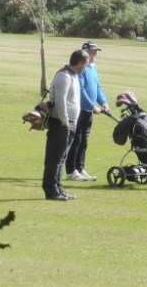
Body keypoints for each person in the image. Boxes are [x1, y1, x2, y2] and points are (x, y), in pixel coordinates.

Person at [42, 50, 89, 201]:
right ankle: (51, 190)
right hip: (61, 123)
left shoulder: (73, 75)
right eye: (85, 64)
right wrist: (64, 121)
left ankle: (58, 188)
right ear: (80, 63)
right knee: (55, 158)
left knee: (62, 158)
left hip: (70, 123)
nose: (86, 67)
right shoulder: (63, 76)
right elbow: (60, 101)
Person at [65, 41, 110, 182]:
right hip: (79, 110)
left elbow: (97, 86)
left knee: (84, 141)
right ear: (85, 52)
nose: (95, 54)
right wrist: (93, 106)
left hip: (88, 112)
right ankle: (71, 171)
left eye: (96, 52)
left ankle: (80, 168)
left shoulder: (93, 67)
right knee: (76, 140)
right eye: (93, 51)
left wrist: (103, 103)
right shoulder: (81, 69)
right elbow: (82, 90)